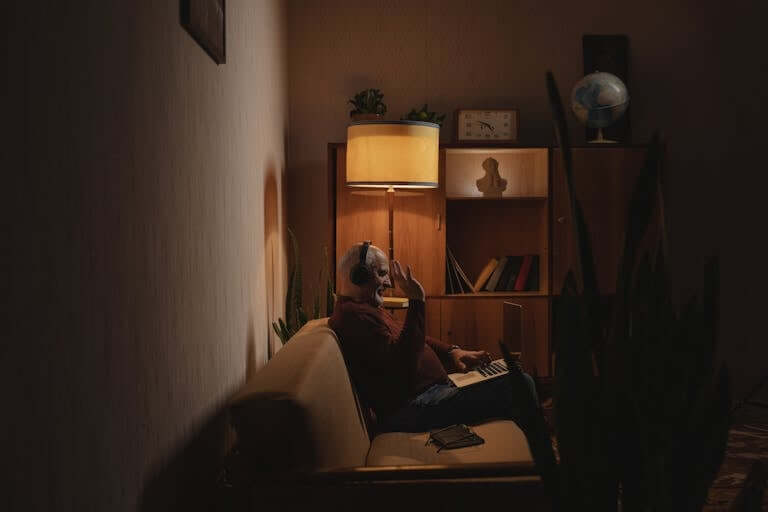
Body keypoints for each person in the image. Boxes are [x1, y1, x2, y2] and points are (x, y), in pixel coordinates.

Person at [329, 241, 558, 493]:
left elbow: (413, 338)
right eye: (382, 273)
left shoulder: (367, 308)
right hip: (416, 407)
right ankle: (542, 473)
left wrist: (453, 351)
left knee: (509, 372)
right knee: (521, 383)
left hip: (435, 392)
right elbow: (403, 360)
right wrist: (417, 301)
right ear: (359, 275)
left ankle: (535, 460)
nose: (388, 282)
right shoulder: (354, 317)